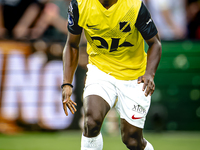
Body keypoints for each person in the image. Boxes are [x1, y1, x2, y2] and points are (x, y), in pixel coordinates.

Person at [62, 0, 162, 149]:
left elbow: (155, 43)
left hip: (133, 75)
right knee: (91, 122)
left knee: (132, 139)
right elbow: (71, 44)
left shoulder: (134, 5)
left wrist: (149, 74)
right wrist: (67, 83)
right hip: (100, 71)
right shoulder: (80, 4)